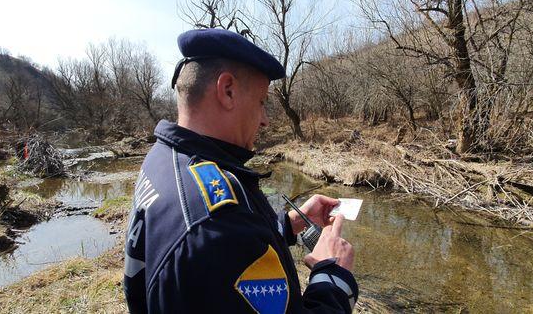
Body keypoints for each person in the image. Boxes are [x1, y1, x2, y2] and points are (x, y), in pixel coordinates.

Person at [124, 28, 358, 313]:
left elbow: (224, 257)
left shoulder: (166, 158)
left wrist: (286, 226)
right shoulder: (217, 223)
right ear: (228, 91)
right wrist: (332, 276)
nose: (265, 121)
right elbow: (224, 240)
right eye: (261, 102)